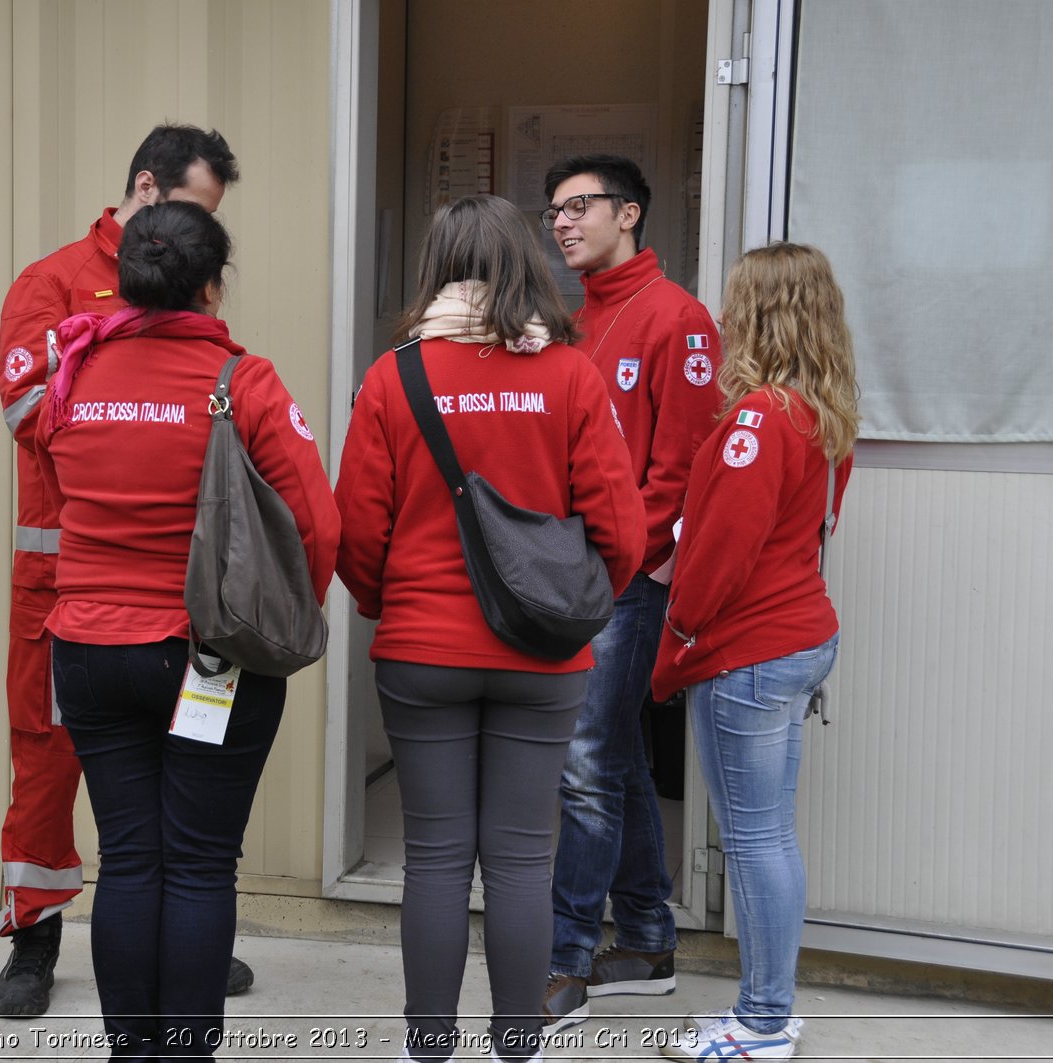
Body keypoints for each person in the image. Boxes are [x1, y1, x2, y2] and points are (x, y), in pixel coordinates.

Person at [335, 194, 646, 1063]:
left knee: (434, 857)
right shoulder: (573, 376)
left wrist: (389, 602)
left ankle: (427, 1048)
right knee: (519, 859)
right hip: (545, 656)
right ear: (526, 264)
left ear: (436, 268)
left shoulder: (393, 376)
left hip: (421, 648)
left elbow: (356, 531)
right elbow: (622, 529)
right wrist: (577, 604)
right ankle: (519, 1046)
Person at [36, 200, 340, 1058]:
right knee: (202, 863)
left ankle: (132, 1050)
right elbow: (318, 523)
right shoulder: (242, 382)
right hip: (207, 653)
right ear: (211, 285)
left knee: (129, 858)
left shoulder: (74, 374)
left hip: (88, 649)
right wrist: (280, 616)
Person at [0, 124, 248, 1016]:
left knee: (187, 763)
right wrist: (103, 351)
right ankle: (34, 936)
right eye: (192, 209)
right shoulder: (54, 281)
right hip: (65, 574)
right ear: (146, 186)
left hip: (174, 586)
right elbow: (24, 404)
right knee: (47, 753)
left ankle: (184, 935)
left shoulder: (188, 284)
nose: (202, 233)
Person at [650, 243, 857, 1061]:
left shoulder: (757, 420)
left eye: (736, 303)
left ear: (768, 312)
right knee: (769, 836)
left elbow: (715, 560)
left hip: (750, 652)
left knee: (756, 841)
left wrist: (677, 644)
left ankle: (762, 1024)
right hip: (798, 636)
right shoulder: (825, 409)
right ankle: (767, 1012)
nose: (724, 318)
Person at [541, 154, 725, 1030]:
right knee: (615, 756)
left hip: (626, 581)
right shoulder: (575, 325)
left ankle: (566, 955)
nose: (564, 223)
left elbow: (679, 471)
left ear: (631, 214)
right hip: (576, 578)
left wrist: (615, 564)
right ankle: (647, 937)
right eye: (555, 212)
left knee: (583, 761)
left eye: (580, 207)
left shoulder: (677, 319)